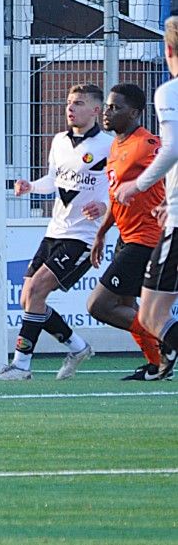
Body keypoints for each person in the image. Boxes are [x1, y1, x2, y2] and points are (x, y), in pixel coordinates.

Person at [0, 83, 112, 381]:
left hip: (83, 237)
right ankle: (77, 346)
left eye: (79, 103)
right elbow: (56, 181)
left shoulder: (108, 146)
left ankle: (20, 366)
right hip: (55, 231)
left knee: (36, 292)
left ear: (96, 110)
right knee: (28, 300)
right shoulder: (59, 141)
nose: (71, 108)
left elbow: (117, 189)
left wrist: (104, 206)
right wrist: (32, 187)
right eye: (69, 102)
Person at [85, 83, 171, 381]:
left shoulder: (147, 144)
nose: (107, 113)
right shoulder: (116, 146)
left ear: (134, 113)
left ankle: (168, 338)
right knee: (124, 305)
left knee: (99, 305)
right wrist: (101, 233)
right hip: (126, 236)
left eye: (115, 107)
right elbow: (117, 195)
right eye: (107, 106)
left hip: (146, 239)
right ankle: (158, 364)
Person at [116, 15, 178, 377]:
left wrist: (137, 186)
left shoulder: (170, 91)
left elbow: (172, 148)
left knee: (151, 315)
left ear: (168, 50)